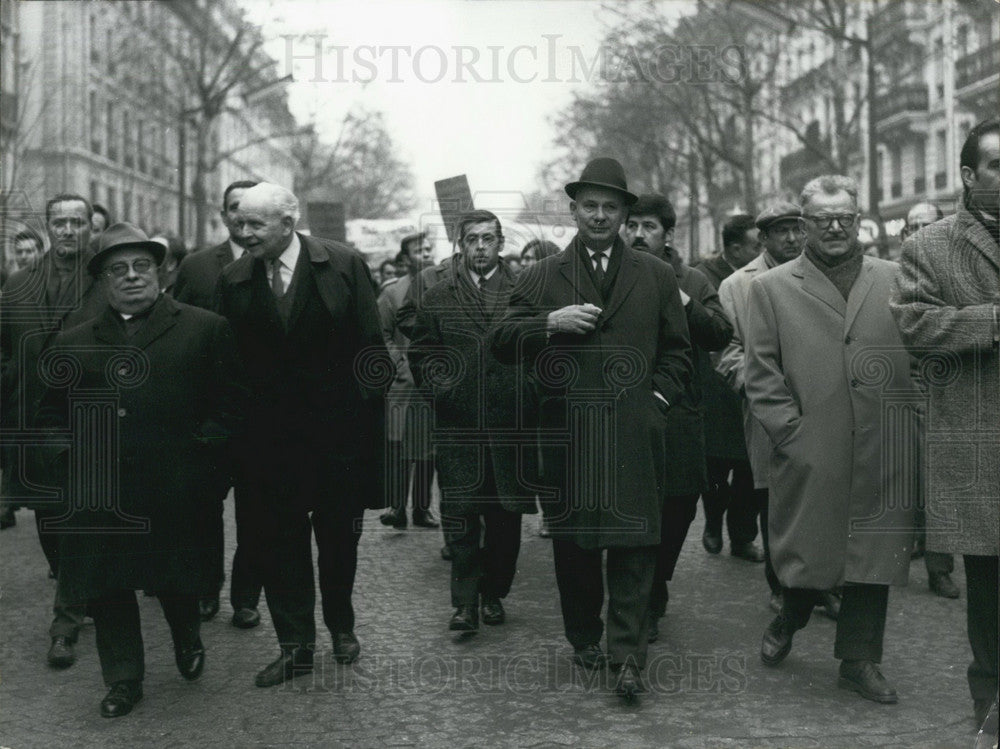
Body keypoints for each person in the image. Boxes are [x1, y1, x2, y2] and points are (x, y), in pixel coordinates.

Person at [492, 158, 692, 701]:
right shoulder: (542, 275)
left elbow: (678, 351)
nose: (599, 216)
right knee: (576, 547)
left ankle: (628, 657)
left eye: (611, 207)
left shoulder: (657, 275)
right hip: (568, 432)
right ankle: (584, 637)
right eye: (589, 206)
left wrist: (656, 399)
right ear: (574, 210)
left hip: (634, 431)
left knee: (635, 544)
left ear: (626, 214)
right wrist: (547, 324)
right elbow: (500, 341)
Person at [32, 222, 246, 718]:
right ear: (102, 282)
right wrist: (71, 462)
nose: (132, 276)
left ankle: (187, 636)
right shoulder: (73, 342)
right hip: (103, 496)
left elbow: (233, 408)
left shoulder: (203, 328)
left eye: (142, 266)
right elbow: (47, 421)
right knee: (109, 589)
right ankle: (123, 680)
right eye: (118, 269)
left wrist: (203, 460)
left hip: (177, 488)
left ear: (161, 271)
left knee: (176, 580)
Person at [745, 175, 918, 704]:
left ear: (859, 218)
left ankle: (859, 660)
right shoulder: (770, 289)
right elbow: (761, 372)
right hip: (811, 445)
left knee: (874, 556)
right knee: (808, 552)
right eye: (823, 219)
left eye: (845, 217)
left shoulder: (897, 279)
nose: (836, 227)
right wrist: (791, 434)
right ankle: (790, 617)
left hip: (882, 444)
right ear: (804, 225)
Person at [215, 183, 388, 688]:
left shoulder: (343, 264)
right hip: (268, 447)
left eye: (255, 225)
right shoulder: (233, 279)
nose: (242, 234)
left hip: (337, 441)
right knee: (279, 545)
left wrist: (370, 437)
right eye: (238, 223)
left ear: (288, 224)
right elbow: (229, 364)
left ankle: (342, 628)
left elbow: (370, 351)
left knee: (338, 541)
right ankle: (296, 647)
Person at [890, 118, 999, 727]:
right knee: (988, 589)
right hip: (981, 442)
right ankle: (990, 705)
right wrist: (992, 321)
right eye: (997, 167)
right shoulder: (930, 246)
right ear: (968, 176)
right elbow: (912, 325)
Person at [410, 210, 536, 633]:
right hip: (458, 425)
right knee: (460, 514)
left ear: (501, 243)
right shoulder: (439, 296)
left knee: (505, 519)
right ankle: (464, 603)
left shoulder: (524, 293)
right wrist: (443, 390)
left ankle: (494, 593)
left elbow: (541, 355)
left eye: (488, 239)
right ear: (460, 246)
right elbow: (422, 354)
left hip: (509, 427)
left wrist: (525, 395)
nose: (480, 247)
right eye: (472, 240)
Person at [0, 193, 107, 669]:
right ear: (48, 227)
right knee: (47, 514)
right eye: (59, 223)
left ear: (90, 228)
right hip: (33, 416)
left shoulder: (107, 280)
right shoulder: (19, 282)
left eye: (77, 222)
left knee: (81, 513)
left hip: (90, 416)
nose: (68, 231)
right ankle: (74, 583)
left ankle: (66, 618)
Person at [624, 194, 732, 643]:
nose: (637, 234)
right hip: (629, 411)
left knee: (679, 507)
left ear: (668, 235)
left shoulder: (693, 278)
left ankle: (658, 579)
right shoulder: (616, 275)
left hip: (681, 412)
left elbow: (719, 333)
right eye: (632, 225)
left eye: (648, 226)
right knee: (635, 506)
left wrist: (682, 295)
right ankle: (641, 600)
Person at [172, 179, 261, 628]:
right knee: (203, 504)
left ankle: (246, 596)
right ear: (224, 215)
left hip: (265, 412)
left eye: (252, 209)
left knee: (257, 507)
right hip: (210, 407)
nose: (243, 218)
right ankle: (207, 586)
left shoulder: (279, 264)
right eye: (234, 209)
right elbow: (174, 327)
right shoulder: (197, 266)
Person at [715, 204, 808, 615]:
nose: (791, 239)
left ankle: (818, 583)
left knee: (818, 495)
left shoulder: (820, 274)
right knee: (774, 500)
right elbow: (727, 352)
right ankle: (781, 585)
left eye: (796, 230)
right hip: (767, 410)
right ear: (763, 238)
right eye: (781, 231)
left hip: (821, 406)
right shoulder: (737, 285)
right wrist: (758, 388)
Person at [894, 201, 959, 599]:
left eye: (927, 224)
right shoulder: (889, 272)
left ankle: (940, 567)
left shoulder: (958, 273)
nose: (918, 232)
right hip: (895, 383)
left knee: (941, 481)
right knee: (900, 476)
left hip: (946, 384)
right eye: (912, 226)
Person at [378, 232, 438, 530]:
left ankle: (422, 508)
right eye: (418, 250)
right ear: (405, 258)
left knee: (427, 449)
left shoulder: (443, 286)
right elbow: (383, 333)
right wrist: (399, 362)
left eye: (429, 248)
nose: (426, 253)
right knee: (399, 444)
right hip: (403, 384)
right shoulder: (392, 292)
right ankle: (397, 506)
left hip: (433, 383)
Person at [696, 214, 760, 289]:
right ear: (736, 250)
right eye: (757, 248)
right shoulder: (703, 280)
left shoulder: (759, 272)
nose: (764, 253)